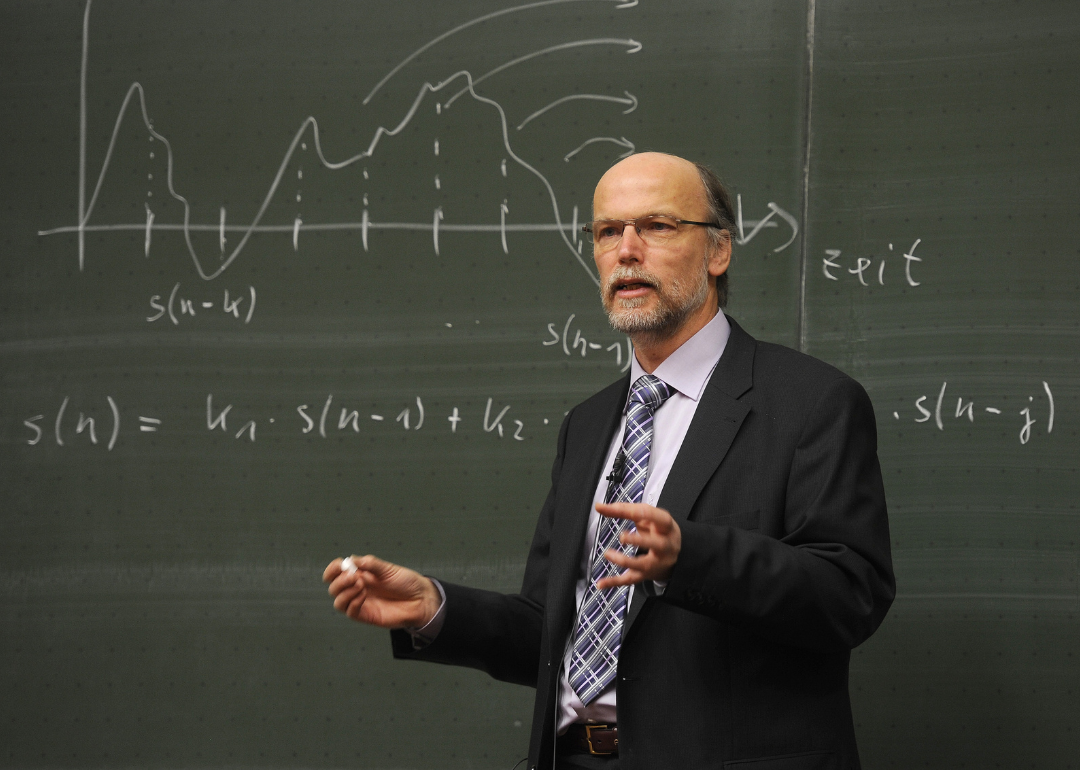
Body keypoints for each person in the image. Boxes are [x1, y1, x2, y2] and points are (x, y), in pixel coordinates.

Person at [324, 152, 895, 770]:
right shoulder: (588, 425)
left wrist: (688, 559)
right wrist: (436, 609)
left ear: (719, 251)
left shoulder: (810, 402)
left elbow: (850, 594)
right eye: (606, 232)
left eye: (656, 225)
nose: (626, 250)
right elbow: (554, 630)